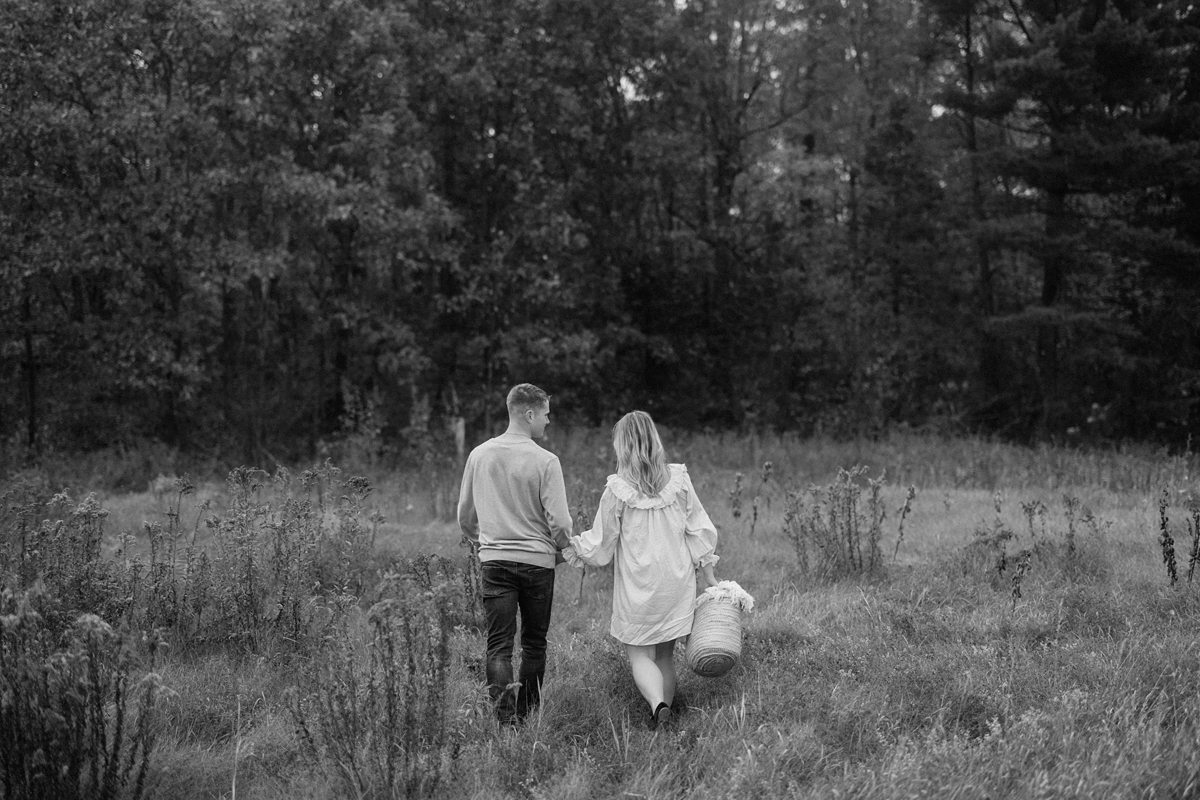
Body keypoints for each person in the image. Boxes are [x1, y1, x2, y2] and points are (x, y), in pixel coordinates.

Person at [563, 410, 718, 730]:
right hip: (675, 583)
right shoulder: (678, 481)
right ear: (654, 440)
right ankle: (664, 716)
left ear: (623, 445)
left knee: (639, 656)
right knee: (664, 656)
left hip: (639, 588)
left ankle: (657, 704)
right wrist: (709, 577)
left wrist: (568, 550)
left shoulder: (617, 490)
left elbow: (601, 544)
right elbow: (699, 530)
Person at [457, 383, 573, 724]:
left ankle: (505, 723)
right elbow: (561, 523)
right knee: (535, 643)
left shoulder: (480, 454)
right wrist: (562, 549)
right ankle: (527, 715)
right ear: (529, 413)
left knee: (499, 646)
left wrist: (486, 543)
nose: (548, 423)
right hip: (538, 564)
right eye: (546, 415)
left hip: (495, 562)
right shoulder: (546, 461)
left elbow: (465, 515)